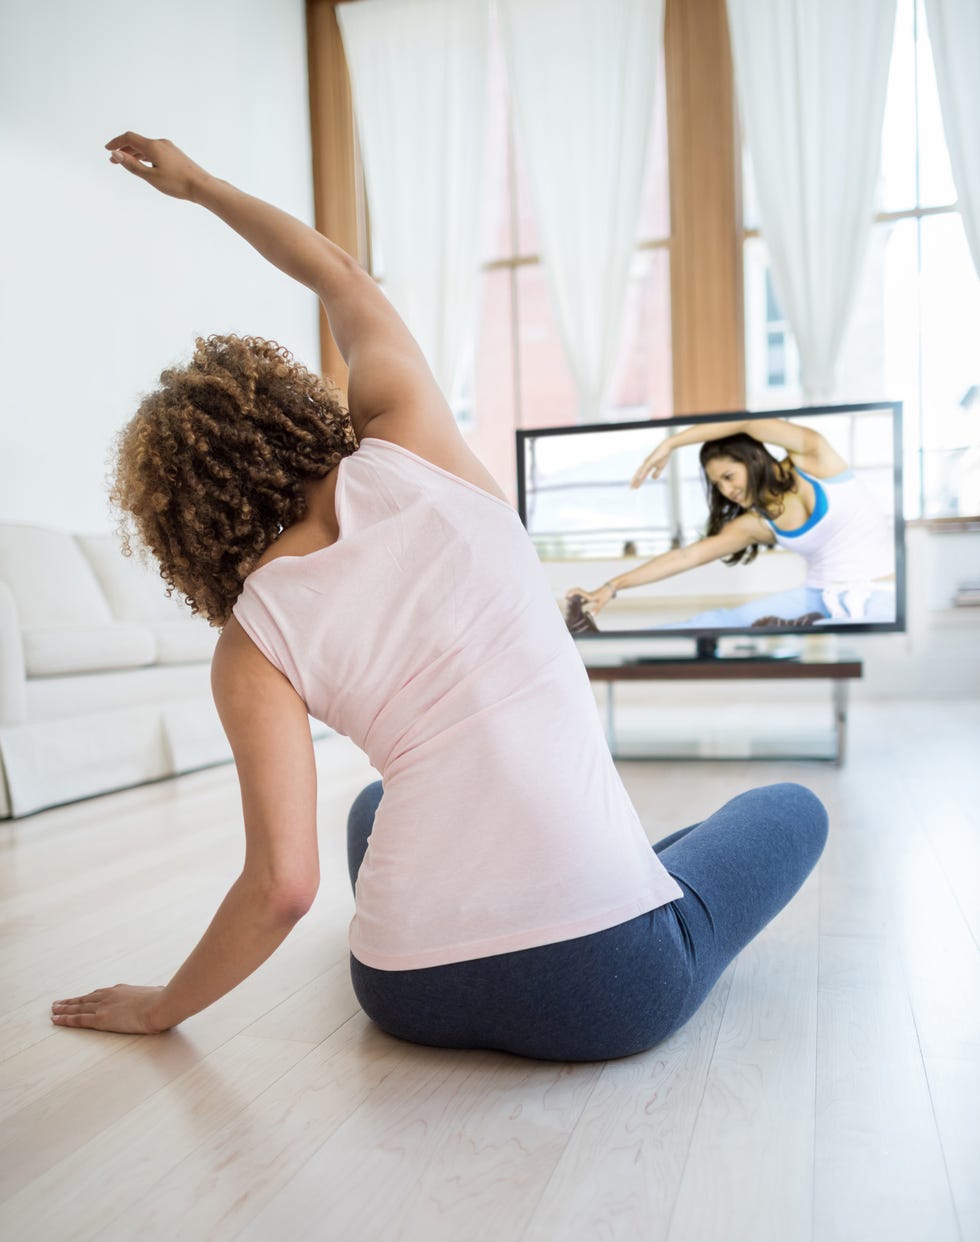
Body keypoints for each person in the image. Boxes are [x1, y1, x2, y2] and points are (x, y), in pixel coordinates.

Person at [49, 134, 828, 1061]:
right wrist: (200, 186)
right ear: (292, 407)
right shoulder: (410, 436)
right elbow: (337, 273)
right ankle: (611, 880)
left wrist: (164, 1006)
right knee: (789, 807)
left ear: (185, 532)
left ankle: (575, 881)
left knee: (371, 808)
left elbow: (283, 886)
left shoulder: (248, 645)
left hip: (403, 988)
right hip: (611, 992)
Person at [566, 420, 896, 629]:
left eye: (728, 476)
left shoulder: (815, 459)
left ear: (752, 460)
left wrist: (670, 443)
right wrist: (610, 588)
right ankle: (601, 637)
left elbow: (749, 424)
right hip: (817, 595)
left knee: (861, 623)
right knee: (714, 623)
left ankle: (805, 625)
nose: (726, 491)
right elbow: (687, 557)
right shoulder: (757, 522)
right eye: (717, 485)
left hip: (878, 592)